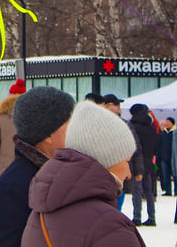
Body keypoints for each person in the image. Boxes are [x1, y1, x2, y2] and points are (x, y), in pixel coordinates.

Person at [20, 100, 144, 246]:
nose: (129, 173)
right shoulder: (108, 225)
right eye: (126, 161)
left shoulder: (40, 213)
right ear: (107, 160)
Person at [0, 86, 75, 247]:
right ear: (48, 135)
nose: (76, 131)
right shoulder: (11, 188)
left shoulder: (60, 172)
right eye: (70, 124)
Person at [0, 79, 26, 179]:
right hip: (27, 168)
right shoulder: (32, 115)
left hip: (5, 169)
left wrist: (0, 161)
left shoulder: (0, 116)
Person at [128, 103, 158, 226]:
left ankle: (137, 217)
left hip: (137, 161)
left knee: (136, 190)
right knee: (148, 190)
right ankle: (152, 217)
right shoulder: (151, 128)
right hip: (149, 161)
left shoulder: (132, 127)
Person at [157, 117, 176, 195]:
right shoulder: (162, 134)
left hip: (173, 157)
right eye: (166, 122)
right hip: (164, 158)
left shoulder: (175, 133)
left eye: (168, 122)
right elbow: (159, 146)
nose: (167, 124)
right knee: (165, 175)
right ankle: (168, 191)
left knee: (175, 175)